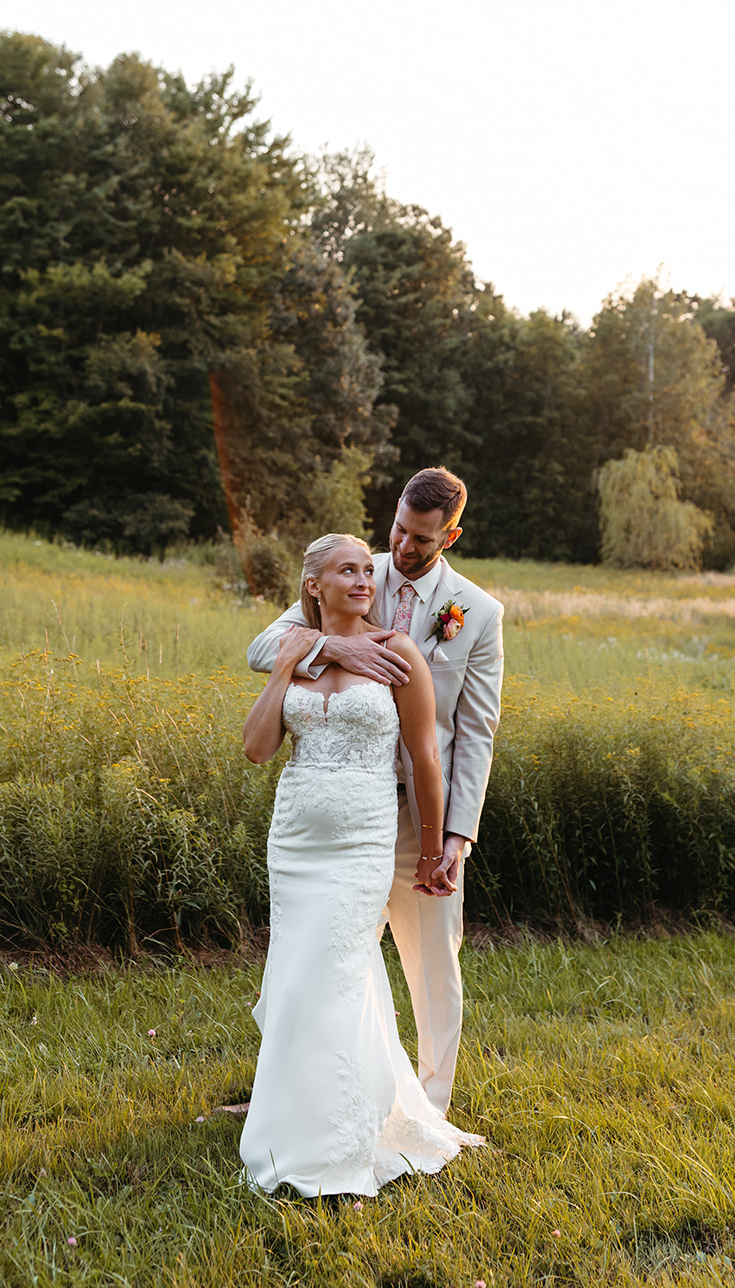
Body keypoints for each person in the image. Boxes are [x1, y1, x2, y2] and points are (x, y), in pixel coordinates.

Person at [247, 467, 504, 1114]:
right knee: (319, 960)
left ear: (450, 534)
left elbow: (472, 733)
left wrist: (455, 836)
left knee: (432, 967)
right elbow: (263, 647)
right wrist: (335, 649)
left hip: (421, 812)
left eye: (421, 538)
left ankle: (428, 1104)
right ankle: (297, 1092)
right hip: (332, 809)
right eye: (398, 528)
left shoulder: (476, 613)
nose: (403, 547)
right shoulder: (352, 568)